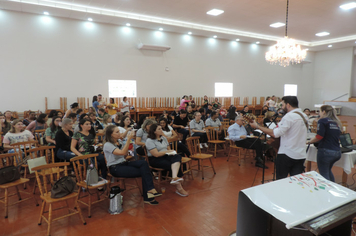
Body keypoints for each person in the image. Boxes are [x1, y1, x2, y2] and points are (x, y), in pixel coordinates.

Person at [250, 96, 308, 177]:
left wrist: (257, 126)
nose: (282, 107)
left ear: (288, 105)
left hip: (287, 153)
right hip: (301, 154)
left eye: (283, 105)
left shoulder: (289, 116)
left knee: (281, 180)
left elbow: (275, 134)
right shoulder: (304, 116)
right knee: (296, 181)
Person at [104, 125, 161, 205]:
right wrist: (128, 140)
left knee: (144, 163)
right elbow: (122, 153)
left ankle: (149, 190)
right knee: (144, 171)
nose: (119, 133)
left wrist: (126, 149)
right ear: (111, 134)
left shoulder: (119, 142)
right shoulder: (107, 145)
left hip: (124, 163)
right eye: (117, 132)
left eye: (119, 131)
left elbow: (124, 155)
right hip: (115, 167)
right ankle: (149, 195)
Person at [146, 124, 188, 197]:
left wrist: (171, 152)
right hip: (155, 159)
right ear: (154, 131)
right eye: (159, 129)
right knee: (172, 164)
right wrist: (166, 152)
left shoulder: (164, 138)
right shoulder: (149, 141)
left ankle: (174, 177)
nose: (161, 130)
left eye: (161, 128)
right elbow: (156, 154)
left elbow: (168, 149)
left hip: (165, 156)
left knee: (177, 156)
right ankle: (179, 187)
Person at [307, 105, 342, 182]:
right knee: (328, 171)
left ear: (324, 112)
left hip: (326, 151)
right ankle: (332, 188)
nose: (319, 114)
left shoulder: (322, 121)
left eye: (319, 111)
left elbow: (319, 136)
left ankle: (326, 191)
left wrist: (309, 141)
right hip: (336, 151)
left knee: (324, 174)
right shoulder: (336, 122)